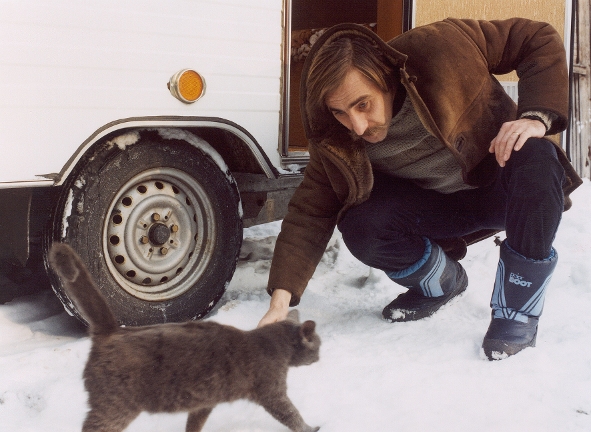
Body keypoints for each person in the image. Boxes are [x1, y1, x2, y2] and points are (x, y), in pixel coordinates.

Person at [258, 18, 582, 360]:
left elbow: (535, 36)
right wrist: (280, 303)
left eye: (363, 104)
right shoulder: (335, 139)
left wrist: (534, 117)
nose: (357, 125)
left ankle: (516, 313)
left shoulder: (443, 46)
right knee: (361, 225)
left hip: (503, 189)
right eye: (340, 111)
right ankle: (441, 283)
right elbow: (309, 213)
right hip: (437, 211)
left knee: (536, 154)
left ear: (385, 79)